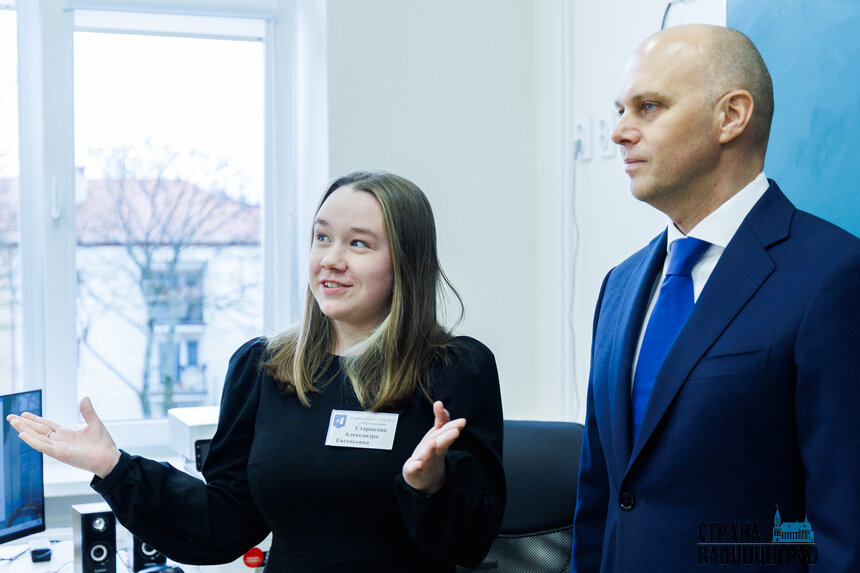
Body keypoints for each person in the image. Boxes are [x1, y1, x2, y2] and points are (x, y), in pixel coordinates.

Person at [8, 171, 506, 572]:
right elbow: (220, 525)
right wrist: (115, 467)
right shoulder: (263, 368)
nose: (330, 260)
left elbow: (470, 545)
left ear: (405, 264)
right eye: (322, 237)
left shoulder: (453, 369)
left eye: (359, 244)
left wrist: (432, 483)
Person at [572, 25, 860, 572]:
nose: (619, 132)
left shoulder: (832, 275)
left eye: (648, 107)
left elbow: (844, 524)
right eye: (619, 110)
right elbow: (601, 501)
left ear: (732, 116)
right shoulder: (620, 285)